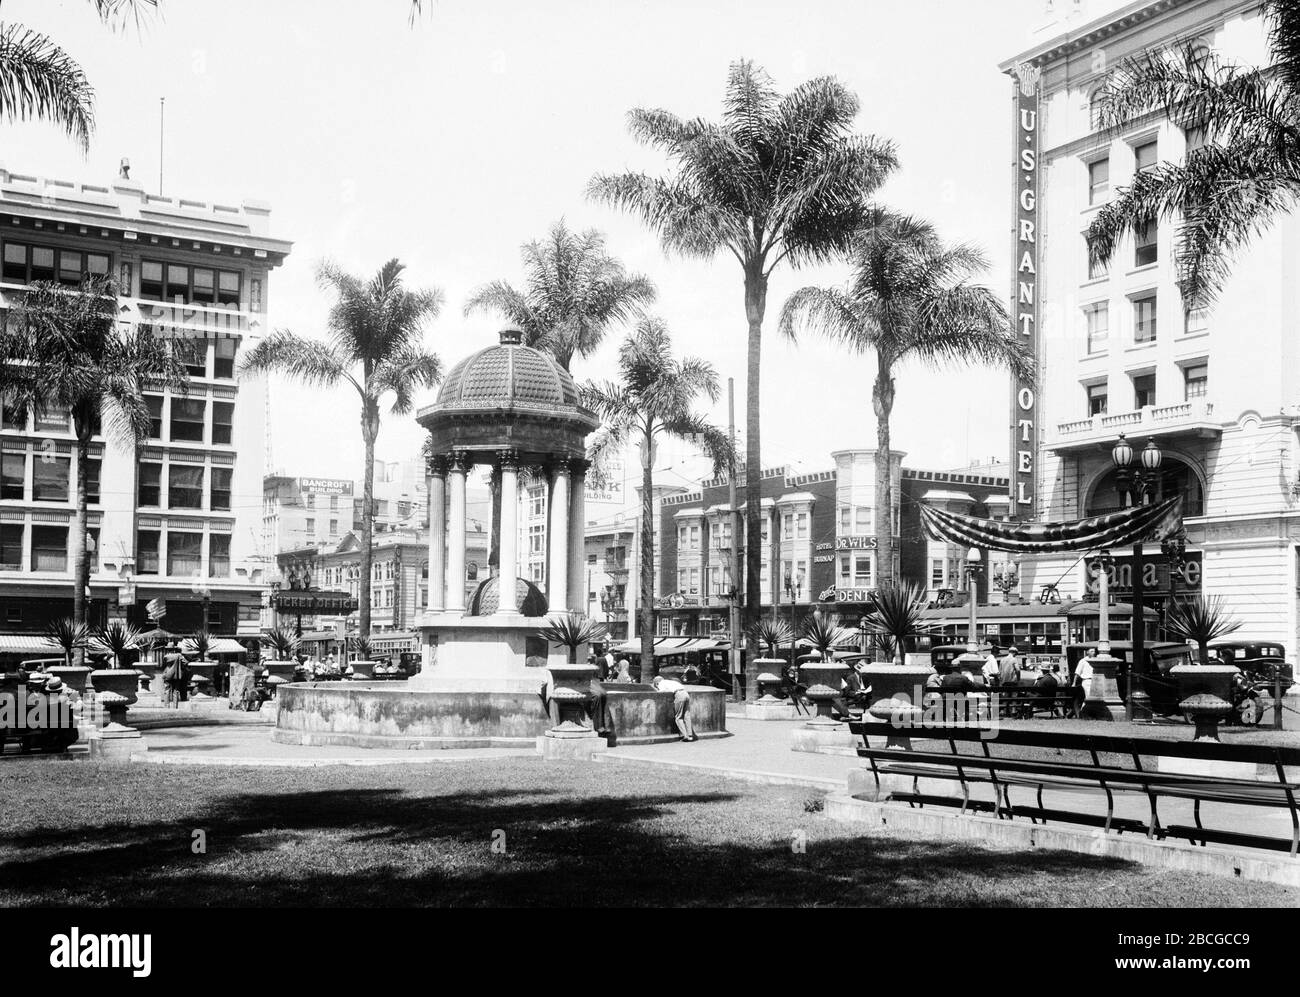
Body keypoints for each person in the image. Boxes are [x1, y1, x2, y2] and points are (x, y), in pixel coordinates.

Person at [652, 675, 695, 741]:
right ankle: (690, 735)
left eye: (656, 686)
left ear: (657, 683)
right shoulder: (670, 682)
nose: (657, 687)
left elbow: (661, 691)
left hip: (679, 695)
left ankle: (685, 736)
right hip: (686, 694)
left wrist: (657, 691)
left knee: (678, 717)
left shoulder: (661, 683)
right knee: (687, 715)